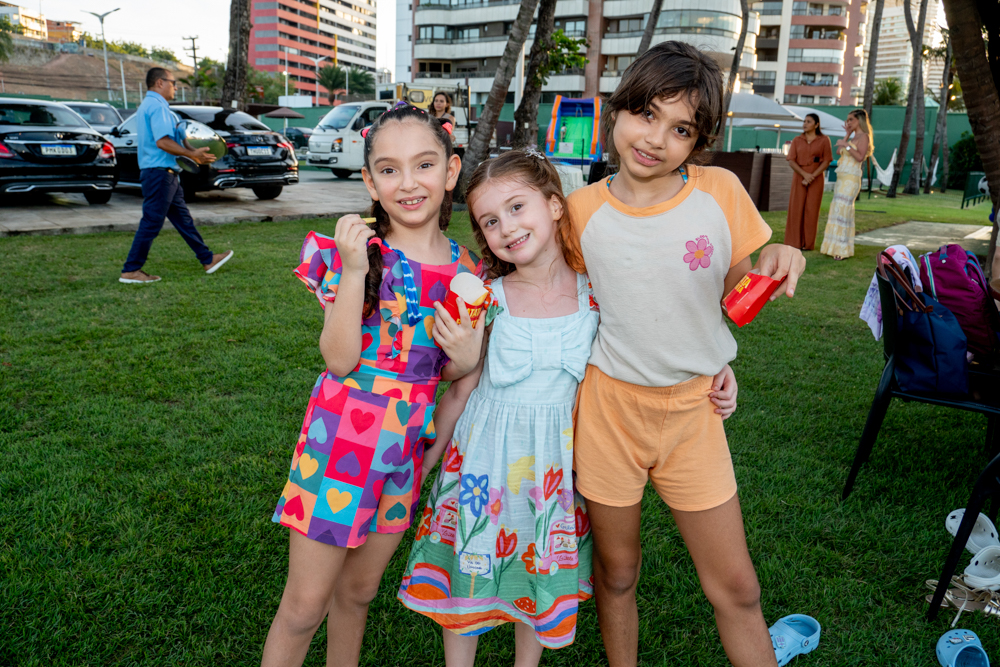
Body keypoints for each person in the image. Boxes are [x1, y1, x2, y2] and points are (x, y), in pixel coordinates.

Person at [398, 149, 739, 666]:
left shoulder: (595, 295)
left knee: (538, 570)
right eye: (490, 221)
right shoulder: (486, 298)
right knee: (470, 570)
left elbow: (652, 342)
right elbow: (461, 388)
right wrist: (424, 462)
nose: (507, 227)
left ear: (555, 206)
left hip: (554, 470)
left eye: (517, 207)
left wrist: (716, 366)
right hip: (483, 466)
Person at [563, 41, 807, 667]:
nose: (655, 139)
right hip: (608, 414)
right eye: (646, 114)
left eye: (680, 129)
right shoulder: (580, 212)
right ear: (617, 110)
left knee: (738, 587)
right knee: (617, 573)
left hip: (696, 413)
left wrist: (778, 261)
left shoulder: (719, 191)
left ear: (698, 141)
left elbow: (736, 298)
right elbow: (569, 306)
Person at [261, 103, 486, 667]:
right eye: (389, 169)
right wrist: (356, 269)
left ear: (451, 171)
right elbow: (338, 360)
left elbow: (441, 368)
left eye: (424, 165)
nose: (408, 183)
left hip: (404, 454)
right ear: (369, 181)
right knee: (304, 607)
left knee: (358, 594)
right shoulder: (362, 254)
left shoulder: (468, 271)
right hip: (338, 447)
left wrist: (464, 358)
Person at [119, 67, 234, 284]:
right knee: (152, 222)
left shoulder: (152, 105)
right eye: (173, 83)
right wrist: (192, 154)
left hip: (165, 174)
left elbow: (174, 138)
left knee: (184, 221)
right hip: (159, 174)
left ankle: (207, 259)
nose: (175, 87)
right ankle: (131, 270)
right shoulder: (157, 106)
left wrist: (194, 152)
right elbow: (162, 142)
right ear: (160, 83)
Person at [820, 109, 873, 260]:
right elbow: (838, 151)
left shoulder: (864, 136)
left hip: (851, 178)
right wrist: (847, 136)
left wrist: (846, 145)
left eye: (851, 120)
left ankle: (841, 249)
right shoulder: (853, 137)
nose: (848, 122)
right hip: (842, 178)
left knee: (844, 210)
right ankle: (832, 247)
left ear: (859, 120)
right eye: (847, 120)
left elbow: (860, 157)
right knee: (837, 209)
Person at [784, 113, 832, 251]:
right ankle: (794, 242)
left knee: (812, 209)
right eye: (804, 121)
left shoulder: (824, 140)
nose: (805, 124)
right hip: (799, 176)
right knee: (796, 208)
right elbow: (791, 160)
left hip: (816, 178)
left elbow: (826, 161)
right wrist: (805, 175)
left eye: (808, 121)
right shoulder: (797, 140)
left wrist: (812, 176)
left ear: (816, 125)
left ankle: (808, 243)